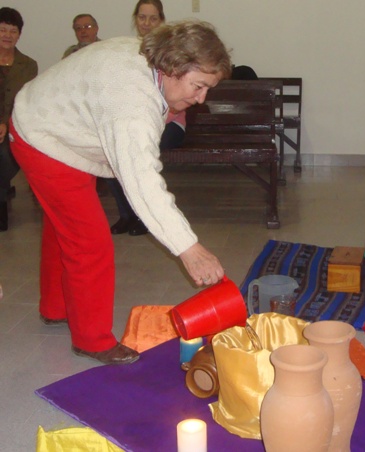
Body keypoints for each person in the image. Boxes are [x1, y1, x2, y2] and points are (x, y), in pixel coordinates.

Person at [10, 20, 231, 364]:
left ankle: (55, 307)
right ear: (174, 67)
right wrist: (189, 248)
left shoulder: (150, 58)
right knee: (90, 242)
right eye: (199, 86)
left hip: (58, 127)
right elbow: (142, 182)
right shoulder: (130, 101)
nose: (201, 99)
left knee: (64, 225)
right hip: (41, 136)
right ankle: (92, 340)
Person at [107, 0, 180, 236]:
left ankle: (145, 216)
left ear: (162, 21)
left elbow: (178, 99)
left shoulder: (172, 52)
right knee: (110, 151)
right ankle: (126, 214)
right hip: (136, 121)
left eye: (153, 18)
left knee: (137, 151)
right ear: (135, 19)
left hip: (169, 121)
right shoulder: (127, 51)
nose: (146, 23)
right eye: (142, 17)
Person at [0, 7, 37, 231]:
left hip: (14, 127)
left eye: (13, 31)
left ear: (19, 35)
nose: (7, 35)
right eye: (3, 29)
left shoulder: (29, 65)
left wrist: (6, 123)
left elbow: (25, 102)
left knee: (6, 155)